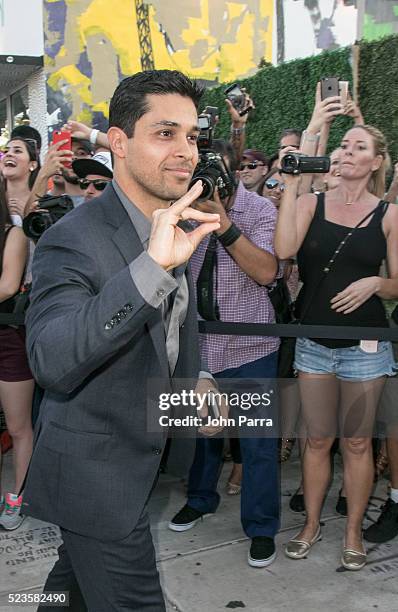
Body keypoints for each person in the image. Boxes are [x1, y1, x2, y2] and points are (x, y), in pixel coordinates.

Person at [22, 69, 222, 611]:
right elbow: (53, 359)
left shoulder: (172, 221)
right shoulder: (73, 239)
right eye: (165, 133)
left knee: (69, 595)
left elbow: (173, 329)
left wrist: (195, 378)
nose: (186, 151)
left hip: (141, 461)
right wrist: (152, 266)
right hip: (97, 478)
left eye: (192, 136)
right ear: (118, 142)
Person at [275, 124, 398, 571]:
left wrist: (377, 282)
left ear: (376, 161)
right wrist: (291, 186)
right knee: (317, 439)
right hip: (314, 343)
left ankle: (351, 533)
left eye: (359, 147)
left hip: (366, 346)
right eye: (343, 144)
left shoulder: (389, 215)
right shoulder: (311, 202)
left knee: (359, 443)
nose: (347, 151)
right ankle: (310, 525)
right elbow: (284, 249)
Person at [169, 139, 281, 569]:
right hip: (200, 346)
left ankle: (261, 526)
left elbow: (267, 271)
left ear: (236, 172)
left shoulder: (260, 211)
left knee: (257, 445)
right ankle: (200, 500)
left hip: (252, 347)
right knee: (202, 437)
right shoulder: (183, 207)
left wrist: (225, 223)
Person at [0, 175, 34, 530]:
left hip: (9, 338)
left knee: (18, 426)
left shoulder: (14, 232)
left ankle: (19, 496)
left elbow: (9, 285)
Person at [0, 137, 40, 226]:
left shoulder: (40, 201)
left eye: (17, 151)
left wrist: (27, 218)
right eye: (6, 151)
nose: (8, 154)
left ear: (32, 164)